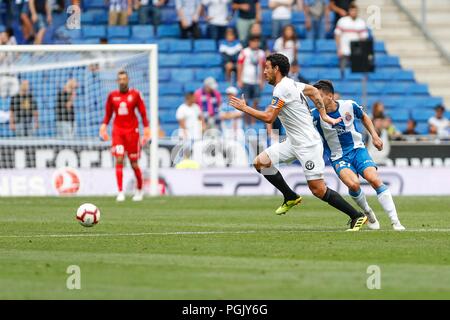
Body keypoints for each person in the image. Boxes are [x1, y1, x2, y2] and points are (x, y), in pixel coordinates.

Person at [229, 53, 368, 231]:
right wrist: (324, 114)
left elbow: (269, 118)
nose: (264, 72)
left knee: (318, 190)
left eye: (267, 68)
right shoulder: (291, 83)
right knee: (261, 162)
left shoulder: (282, 88)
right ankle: (290, 196)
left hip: (308, 144)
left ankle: (357, 215)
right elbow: (313, 91)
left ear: (276, 69)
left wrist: (244, 108)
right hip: (293, 141)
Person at [312, 79, 405, 231]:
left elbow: (364, 116)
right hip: (338, 157)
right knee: (354, 184)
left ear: (330, 96)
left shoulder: (349, 105)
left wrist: (374, 136)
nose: (316, 100)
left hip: (358, 150)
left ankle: (396, 222)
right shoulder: (314, 116)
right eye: (314, 97)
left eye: (319, 96)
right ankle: (368, 212)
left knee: (374, 179)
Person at [99, 70, 151, 202]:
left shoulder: (135, 94)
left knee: (134, 163)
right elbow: (108, 114)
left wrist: (146, 128)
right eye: (120, 79)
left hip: (132, 132)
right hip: (118, 132)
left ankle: (139, 190)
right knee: (119, 159)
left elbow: (143, 113)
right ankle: (120, 191)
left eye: (124, 79)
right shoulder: (112, 96)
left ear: (128, 80)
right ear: (117, 81)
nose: (122, 81)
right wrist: (104, 126)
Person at [237, 35, 265, 126]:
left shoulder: (261, 53)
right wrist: (239, 79)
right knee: (246, 103)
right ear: (250, 42)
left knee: (256, 102)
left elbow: (263, 67)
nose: (255, 43)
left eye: (257, 41)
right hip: (246, 80)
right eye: (253, 41)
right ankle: (246, 122)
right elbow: (240, 65)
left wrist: (262, 80)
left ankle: (253, 122)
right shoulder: (244, 52)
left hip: (256, 81)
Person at [334, 2, 368, 78]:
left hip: (356, 50)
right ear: (349, 11)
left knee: (357, 71)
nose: (353, 12)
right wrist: (338, 48)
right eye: (352, 10)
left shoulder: (361, 22)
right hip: (344, 49)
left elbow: (364, 38)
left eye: (355, 11)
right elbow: (337, 35)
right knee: (342, 69)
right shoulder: (342, 21)